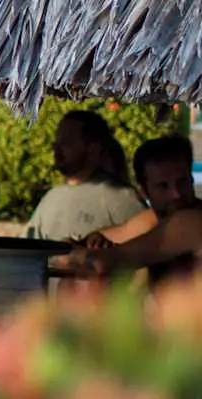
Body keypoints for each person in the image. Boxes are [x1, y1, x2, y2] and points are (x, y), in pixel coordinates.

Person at [82, 134, 202, 287]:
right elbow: (96, 239)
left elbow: (106, 260)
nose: (176, 194)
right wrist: (94, 239)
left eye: (182, 182)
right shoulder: (150, 220)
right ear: (143, 191)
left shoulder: (193, 221)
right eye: (163, 186)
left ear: (191, 179)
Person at [24, 110, 139, 241]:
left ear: (93, 149)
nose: (56, 147)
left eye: (67, 141)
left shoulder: (119, 197)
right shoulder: (50, 198)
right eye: (57, 140)